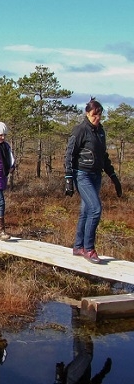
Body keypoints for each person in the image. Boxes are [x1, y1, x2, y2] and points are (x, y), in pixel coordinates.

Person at [65, 98, 122, 264]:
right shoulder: (80, 130)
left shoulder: (101, 131)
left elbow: (103, 156)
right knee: (96, 209)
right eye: (93, 115)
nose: (97, 118)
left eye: (99, 115)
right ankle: (89, 249)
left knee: (86, 211)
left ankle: (78, 246)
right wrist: (69, 178)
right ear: (87, 114)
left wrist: (114, 177)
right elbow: (69, 154)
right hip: (82, 175)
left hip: (96, 175)